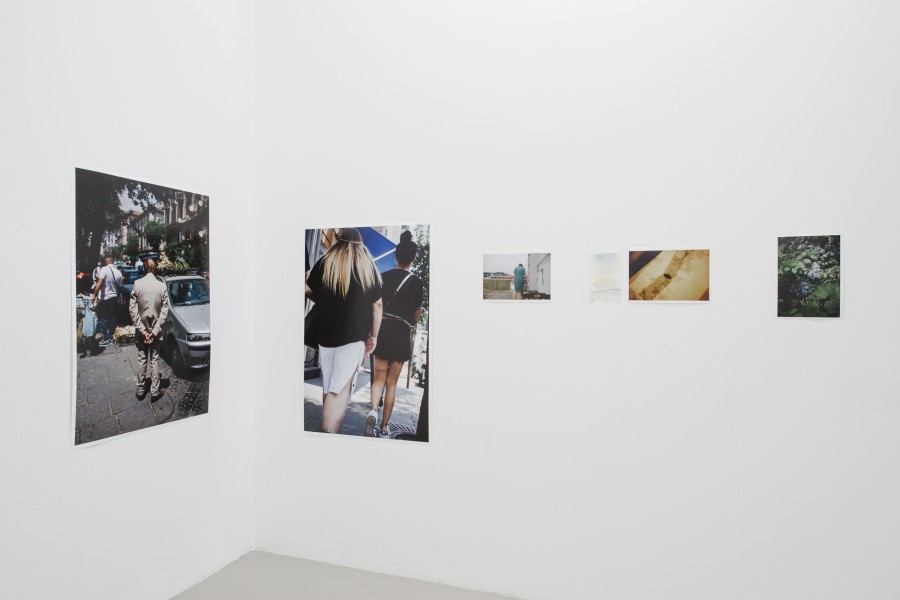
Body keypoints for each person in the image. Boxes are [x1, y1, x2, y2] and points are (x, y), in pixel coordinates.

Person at [305, 228, 383, 434]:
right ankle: (327, 434)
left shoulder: (326, 261)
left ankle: (328, 432)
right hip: (353, 336)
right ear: (361, 244)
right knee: (339, 390)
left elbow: (308, 289)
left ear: (339, 240)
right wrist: (373, 337)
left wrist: (325, 299)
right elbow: (377, 306)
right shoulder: (368, 267)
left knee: (329, 385)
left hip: (325, 335)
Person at [368, 230, 424, 437]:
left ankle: (372, 413)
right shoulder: (417, 283)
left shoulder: (383, 277)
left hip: (383, 331)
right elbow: (416, 313)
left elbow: (376, 305)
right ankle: (384, 427)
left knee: (378, 380)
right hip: (401, 333)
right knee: (391, 384)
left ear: (396, 256)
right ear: (414, 258)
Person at [129, 258, 170, 401]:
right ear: (155, 268)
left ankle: (140, 391)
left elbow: (132, 309)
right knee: (154, 360)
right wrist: (153, 332)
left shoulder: (137, 284)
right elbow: (164, 312)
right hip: (156, 332)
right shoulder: (161, 286)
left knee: (142, 359)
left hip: (142, 331)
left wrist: (142, 330)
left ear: (144, 268)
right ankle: (154, 392)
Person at [91, 256, 123, 346]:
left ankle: (105, 338)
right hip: (114, 298)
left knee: (104, 318)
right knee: (113, 318)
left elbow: (99, 282)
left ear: (105, 262)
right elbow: (120, 287)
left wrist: (94, 295)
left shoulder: (104, 269)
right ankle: (110, 338)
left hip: (106, 298)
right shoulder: (118, 272)